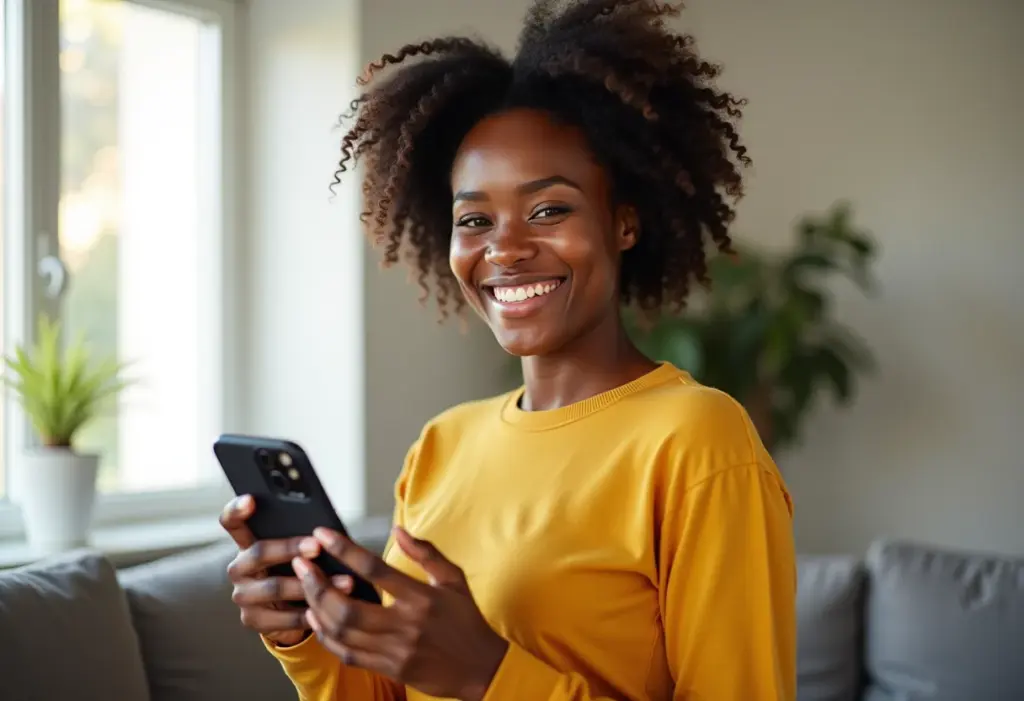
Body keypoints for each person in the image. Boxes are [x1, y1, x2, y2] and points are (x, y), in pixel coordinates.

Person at [219, 1, 797, 699]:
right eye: (474, 219)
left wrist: (487, 673)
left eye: (549, 209)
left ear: (624, 222)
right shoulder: (441, 446)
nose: (506, 248)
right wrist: (302, 633)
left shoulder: (698, 440)